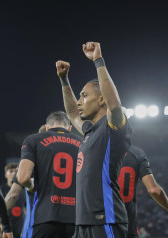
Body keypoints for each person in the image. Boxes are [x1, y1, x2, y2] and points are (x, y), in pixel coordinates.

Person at [56, 41, 132, 237]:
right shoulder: (90, 131)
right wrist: (64, 80)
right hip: (82, 222)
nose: (79, 102)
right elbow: (73, 114)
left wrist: (98, 61)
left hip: (105, 219)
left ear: (101, 100)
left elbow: (114, 106)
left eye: (84, 96)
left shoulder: (112, 128)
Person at [9, 111, 82, 238]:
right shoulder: (83, 143)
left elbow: (22, 178)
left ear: (47, 127)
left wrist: (31, 187)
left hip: (45, 218)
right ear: (70, 128)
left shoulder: (33, 140)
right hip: (77, 219)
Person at [119, 145, 168, 238]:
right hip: (126, 225)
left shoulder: (92, 150)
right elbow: (153, 190)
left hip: (96, 222)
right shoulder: (136, 153)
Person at [0, 163, 26, 238]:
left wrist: (26, 226)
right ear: (5, 175)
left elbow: (24, 209)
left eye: (15, 171)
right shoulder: (0, 190)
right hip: (6, 227)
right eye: (11, 171)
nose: (14, 173)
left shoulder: (23, 190)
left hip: (20, 228)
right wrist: (2, 222)